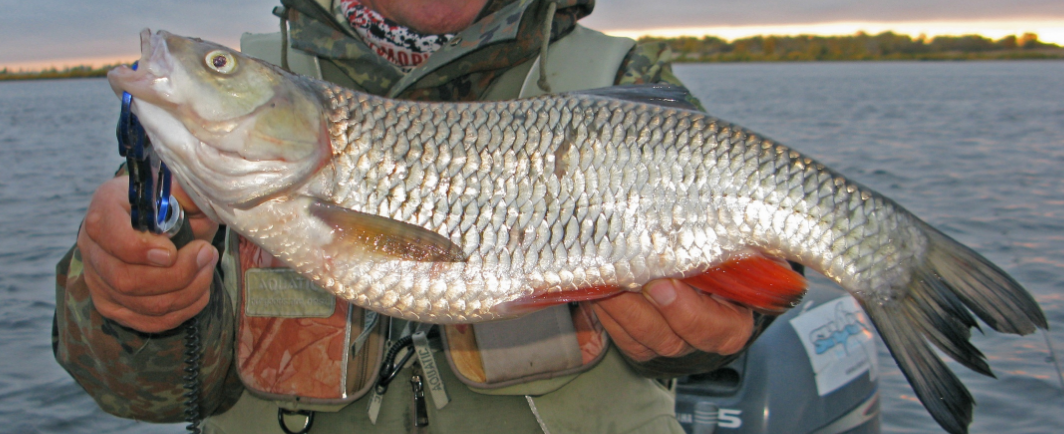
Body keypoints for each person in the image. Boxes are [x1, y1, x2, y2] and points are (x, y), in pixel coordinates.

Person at [54, 0, 775, 432]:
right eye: (215, 70)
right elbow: (141, 389)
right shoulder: (225, 136)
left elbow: (754, 291)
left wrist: (705, 339)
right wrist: (130, 307)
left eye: (215, 68)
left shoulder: (628, 87)